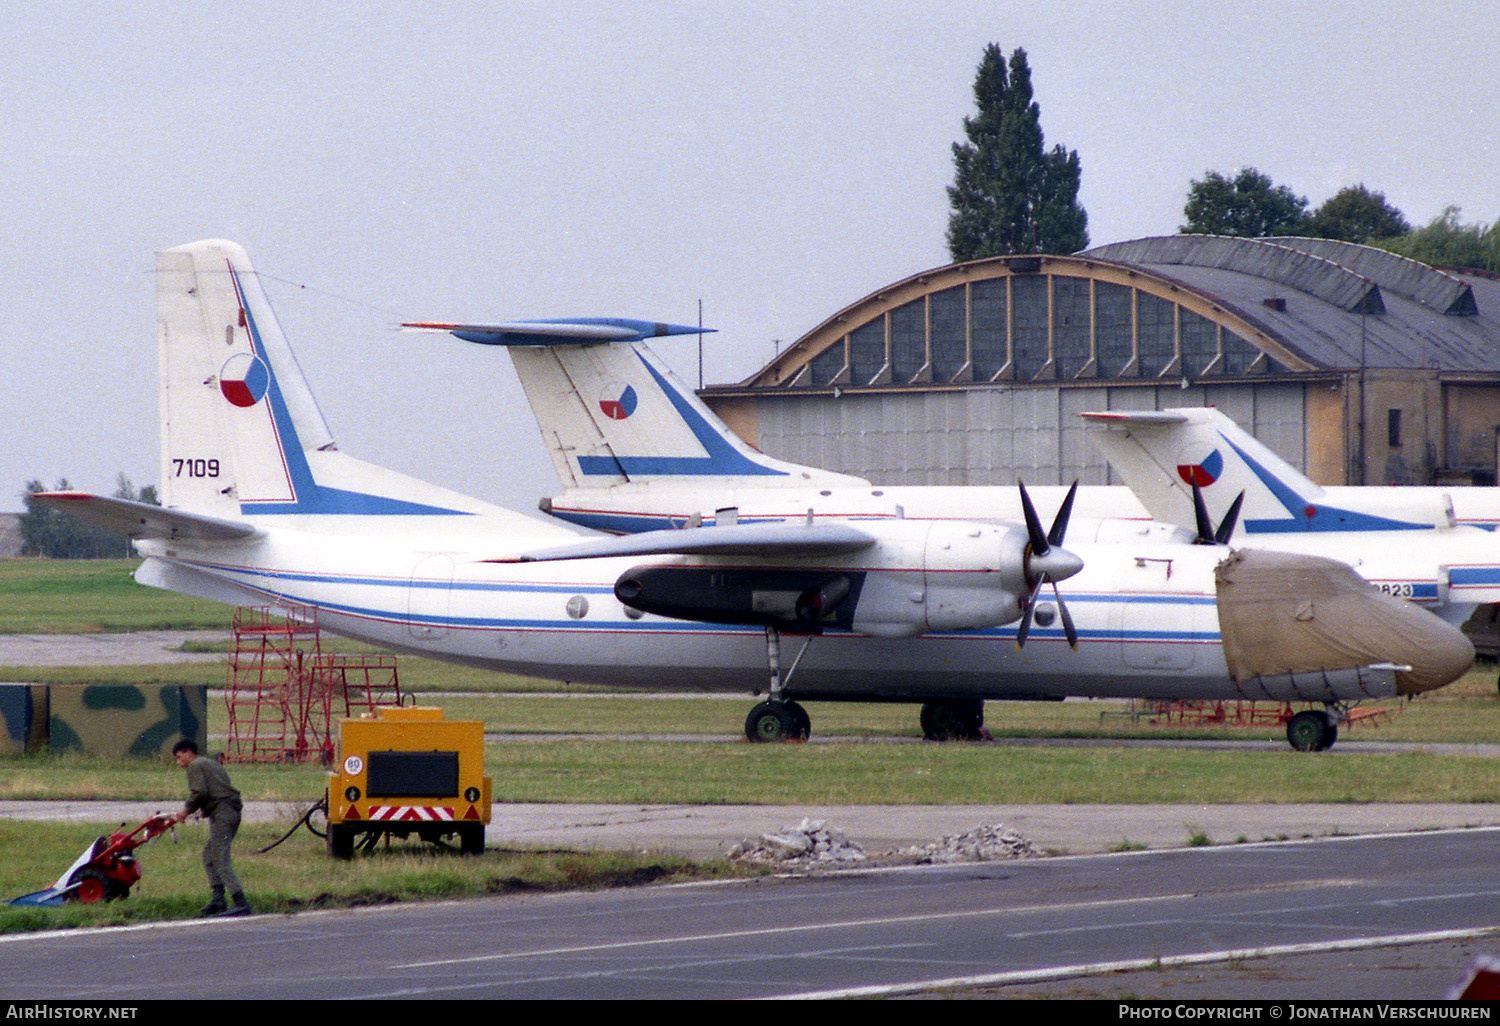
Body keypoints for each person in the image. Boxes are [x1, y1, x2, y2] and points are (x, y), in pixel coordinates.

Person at [171, 739, 250, 917]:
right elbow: (217, 789)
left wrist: (186, 810)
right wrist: (205, 810)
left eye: (179, 757)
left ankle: (240, 901)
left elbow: (200, 792)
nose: (179, 762)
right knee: (209, 855)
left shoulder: (195, 765)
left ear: (187, 752)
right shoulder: (210, 763)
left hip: (223, 813)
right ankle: (218, 899)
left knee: (220, 857)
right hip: (229, 811)